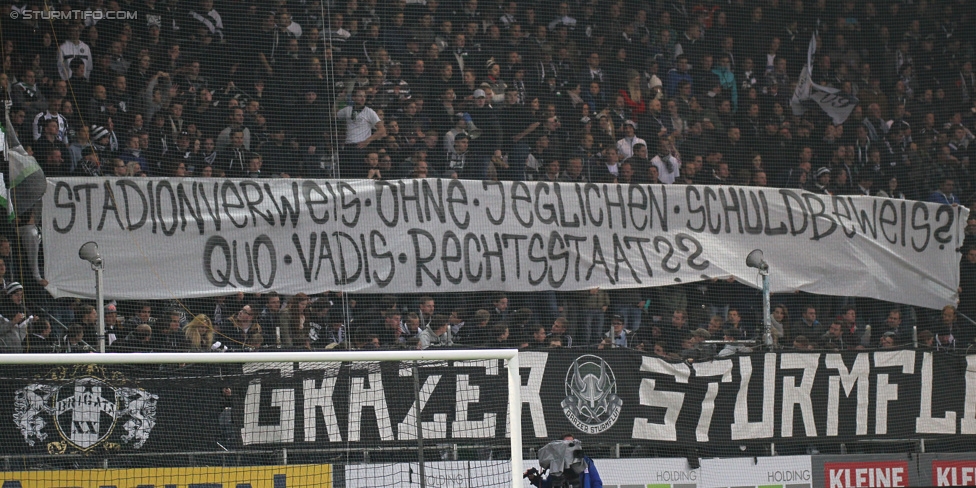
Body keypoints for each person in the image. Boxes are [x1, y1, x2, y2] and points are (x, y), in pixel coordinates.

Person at [525, 434, 602, 488]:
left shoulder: (585, 462)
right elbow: (548, 485)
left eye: (571, 444)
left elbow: (596, 482)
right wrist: (534, 479)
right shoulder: (556, 463)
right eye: (566, 444)